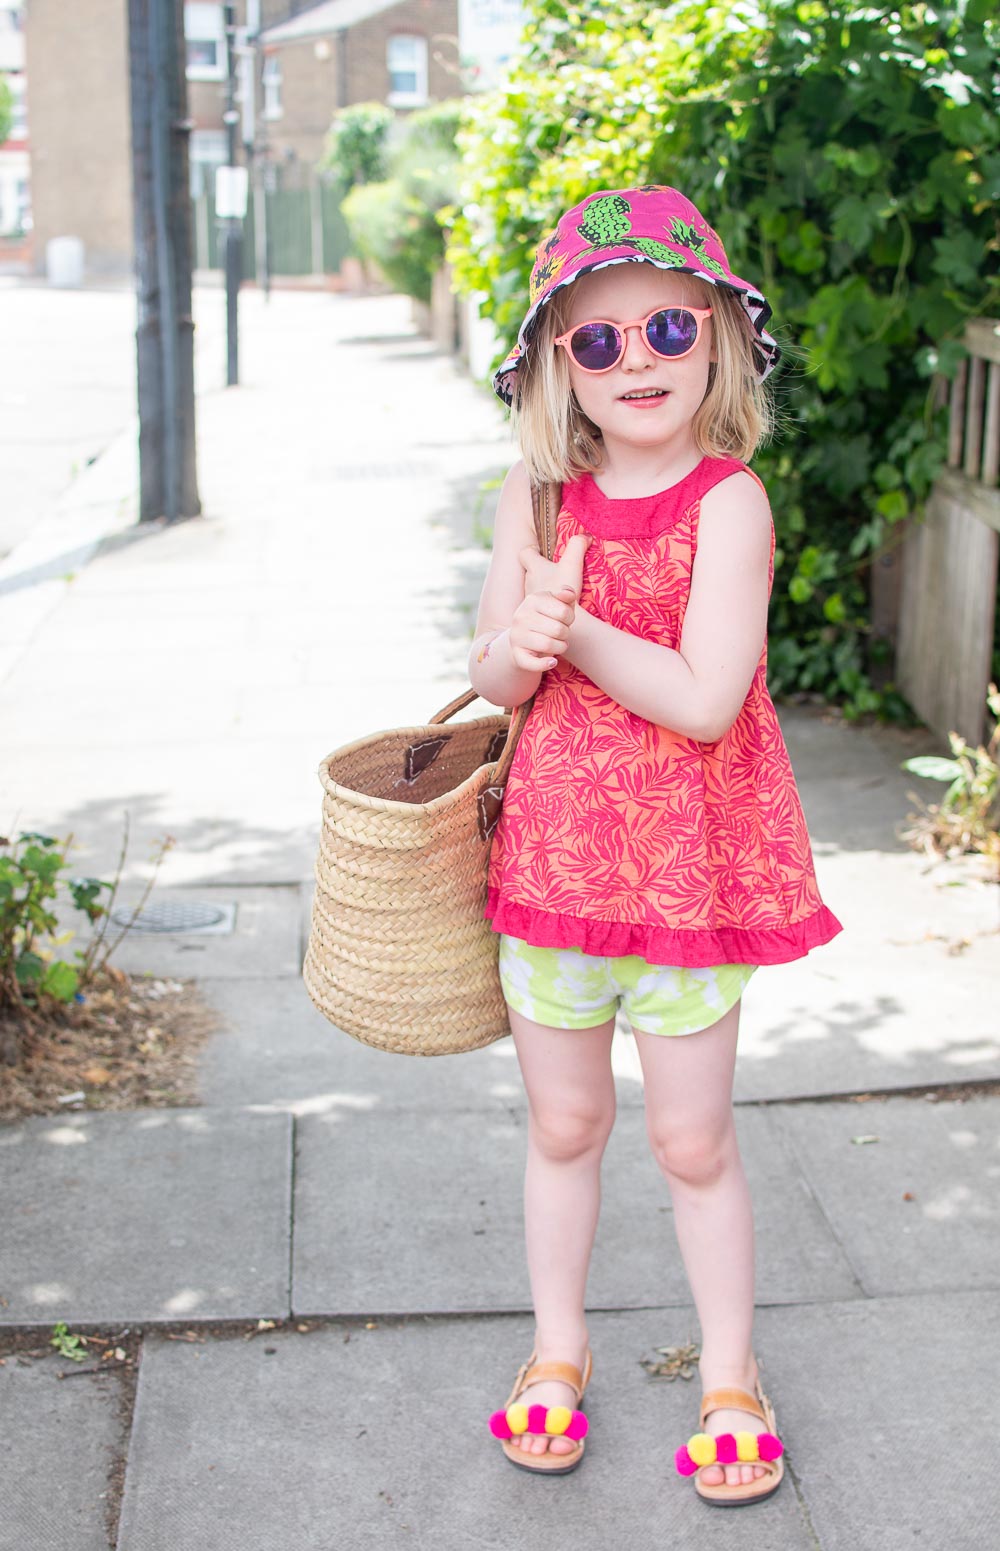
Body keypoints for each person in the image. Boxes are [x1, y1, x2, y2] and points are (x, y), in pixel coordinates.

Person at [467, 186, 843, 1505]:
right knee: (564, 1123)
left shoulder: (727, 503)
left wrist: (574, 635)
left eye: (668, 331)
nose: (637, 363)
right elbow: (495, 673)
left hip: (686, 881)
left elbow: (700, 695)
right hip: (555, 877)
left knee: (693, 1143)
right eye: (598, 342)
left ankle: (729, 1369)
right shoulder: (537, 491)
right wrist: (514, 648)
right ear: (555, 362)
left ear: (719, 341)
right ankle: (555, 1351)